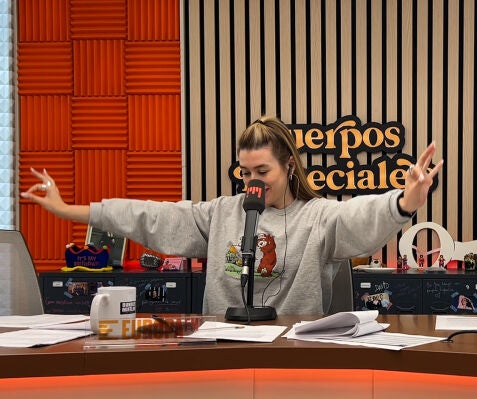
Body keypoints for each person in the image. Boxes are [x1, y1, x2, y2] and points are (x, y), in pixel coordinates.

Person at [22, 116, 443, 315]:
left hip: (293, 355)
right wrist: (71, 209)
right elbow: (153, 217)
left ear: (289, 167)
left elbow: (358, 218)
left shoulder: (317, 217)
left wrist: (404, 201)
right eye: (245, 172)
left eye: (263, 171)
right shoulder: (221, 213)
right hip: (223, 354)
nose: (252, 181)